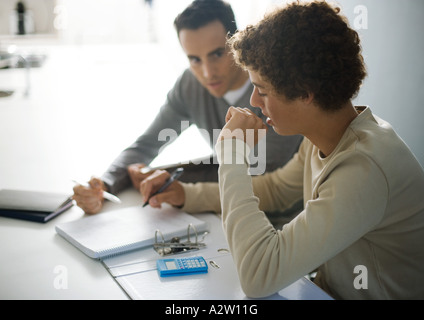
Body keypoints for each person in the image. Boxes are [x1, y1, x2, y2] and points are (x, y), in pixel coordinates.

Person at [141, 1, 424, 299]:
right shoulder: (326, 137)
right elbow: (276, 189)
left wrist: (233, 156)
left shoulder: (364, 168)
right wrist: (187, 194)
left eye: (262, 90)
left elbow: (259, 276)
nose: (254, 101)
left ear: (305, 93)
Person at [72, 0, 302, 215]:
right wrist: (104, 183)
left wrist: (166, 177)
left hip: (285, 217)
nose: (207, 73)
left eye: (217, 54)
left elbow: (263, 173)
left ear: (237, 42)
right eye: (194, 59)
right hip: (223, 210)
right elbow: (146, 144)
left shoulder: (273, 90)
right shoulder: (190, 84)